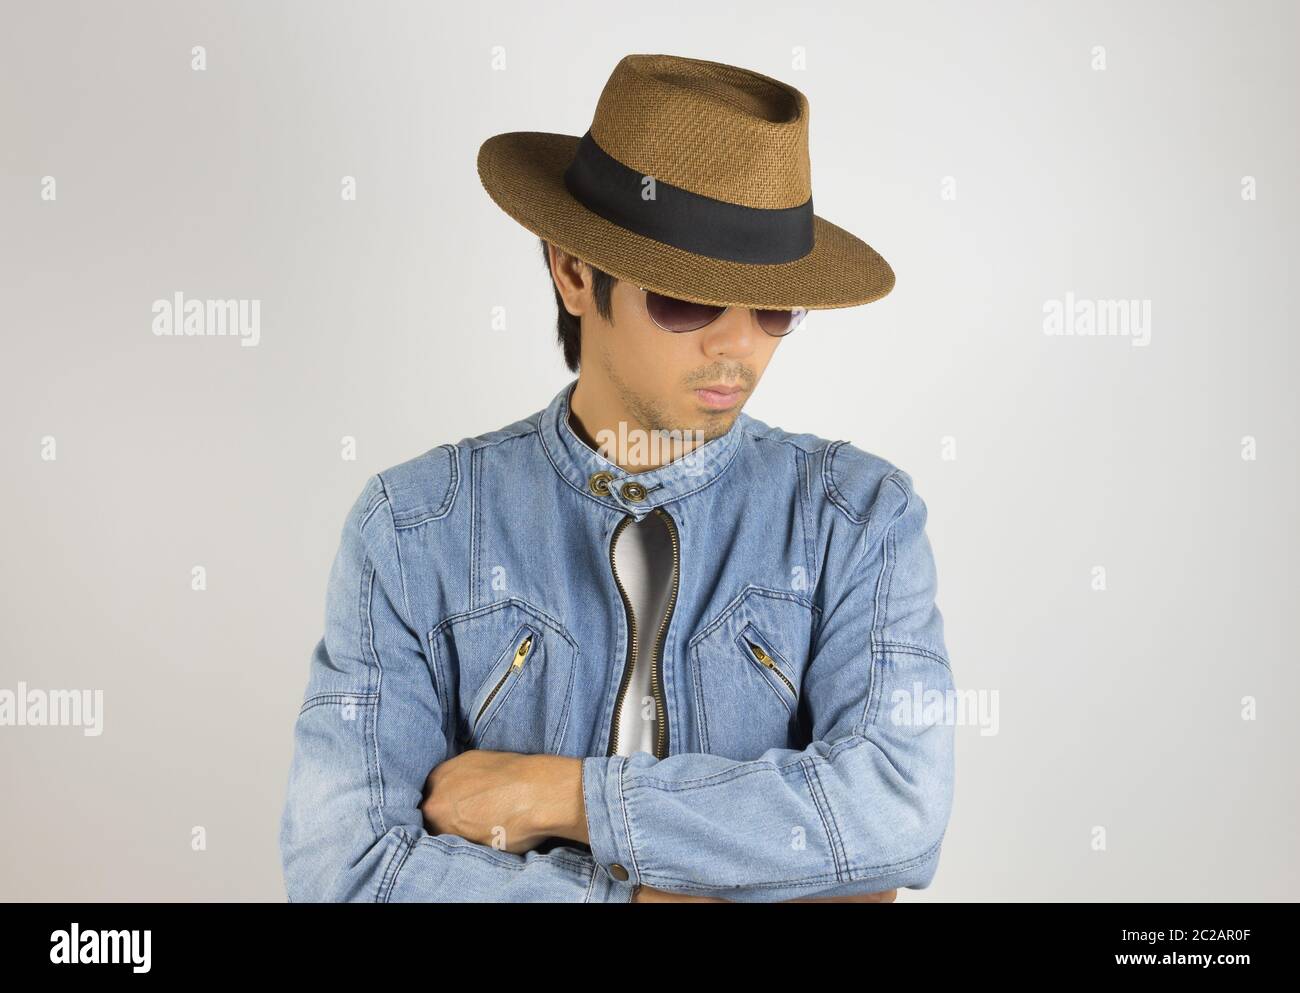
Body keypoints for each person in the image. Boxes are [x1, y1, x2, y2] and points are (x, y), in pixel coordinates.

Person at [279, 53, 955, 903]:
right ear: (571, 272)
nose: (737, 347)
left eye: (774, 307)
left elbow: (896, 811)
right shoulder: (416, 527)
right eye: (688, 299)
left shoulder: (857, 519)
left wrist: (564, 795)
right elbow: (346, 871)